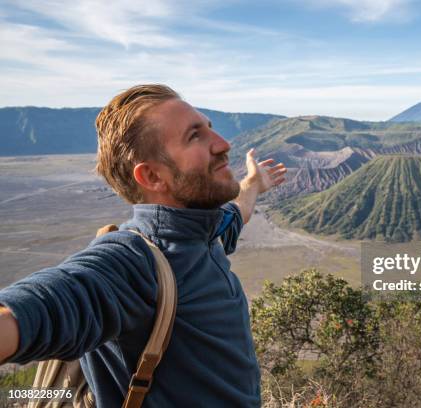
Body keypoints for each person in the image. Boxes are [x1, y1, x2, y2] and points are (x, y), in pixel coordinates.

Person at [0, 84, 286, 407]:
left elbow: (237, 212)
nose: (222, 144)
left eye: (210, 128)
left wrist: (254, 183)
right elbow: (38, 309)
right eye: (195, 136)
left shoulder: (206, 231)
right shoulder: (133, 263)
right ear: (151, 176)